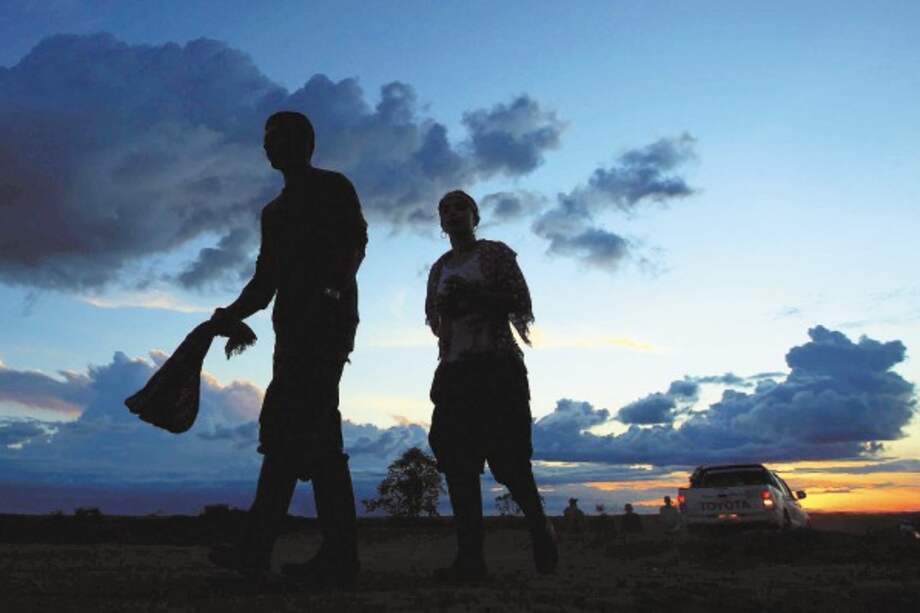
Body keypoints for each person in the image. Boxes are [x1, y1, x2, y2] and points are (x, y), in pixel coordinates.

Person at [207, 111, 368, 589]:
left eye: (277, 138)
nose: (268, 146)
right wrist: (231, 313)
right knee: (297, 438)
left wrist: (333, 291)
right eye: (266, 139)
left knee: (302, 433)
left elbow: (355, 243)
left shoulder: (333, 186)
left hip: (328, 329)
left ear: (305, 143)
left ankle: (270, 552)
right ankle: (324, 556)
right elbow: (265, 280)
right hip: (292, 332)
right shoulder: (273, 213)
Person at [425, 190, 558, 580]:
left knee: (510, 463)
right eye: (445, 209)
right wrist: (448, 309)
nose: (452, 213)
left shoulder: (495, 253)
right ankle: (470, 559)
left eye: (460, 207)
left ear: (475, 215)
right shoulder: (439, 268)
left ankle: (540, 529)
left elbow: (520, 301)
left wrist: (475, 294)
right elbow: (435, 322)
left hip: (497, 368)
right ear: (440, 222)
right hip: (455, 370)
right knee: (457, 464)